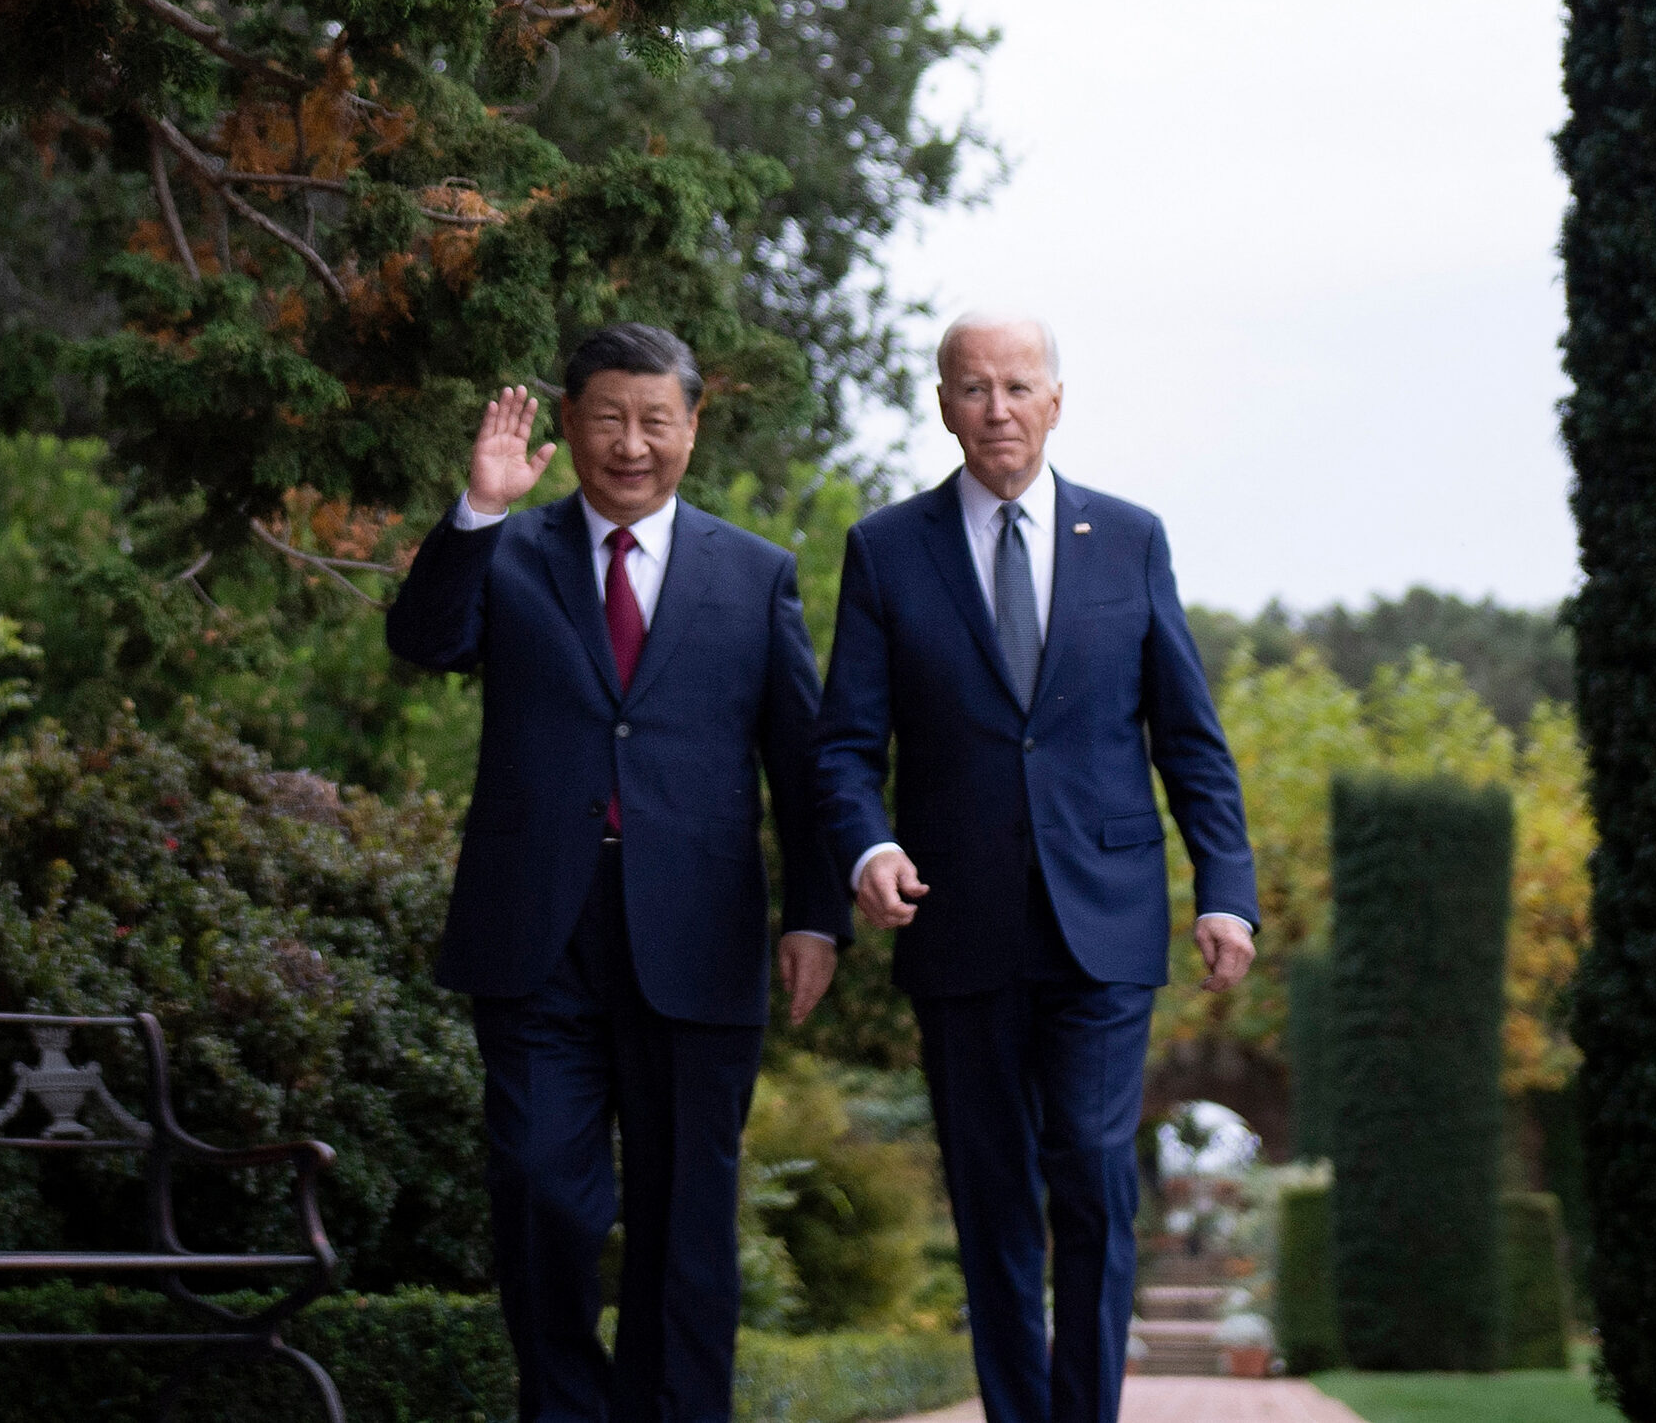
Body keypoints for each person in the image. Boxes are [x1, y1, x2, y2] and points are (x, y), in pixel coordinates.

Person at [386, 323, 845, 1423]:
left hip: (699, 937)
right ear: (571, 422)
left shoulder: (755, 574)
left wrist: (817, 917)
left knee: (689, 1224)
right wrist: (478, 509)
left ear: (692, 426)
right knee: (543, 1190)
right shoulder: (509, 550)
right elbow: (424, 641)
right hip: (538, 931)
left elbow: (803, 759)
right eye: (607, 418)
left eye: (654, 420)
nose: (630, 444)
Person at [813, 311, 1259, 1423]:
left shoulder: (1132, 539)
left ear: (1056, 400)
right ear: (942, 402)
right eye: (972, 389)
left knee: (1095, 1175)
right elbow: (844, 748)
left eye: (1018, 387)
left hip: (1102, 921)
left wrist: (1227, 891)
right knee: (991, 1194)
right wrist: (867, 845)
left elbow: (1188, 738)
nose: (996, 409)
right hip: (955, 923)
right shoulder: (884, 549)